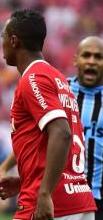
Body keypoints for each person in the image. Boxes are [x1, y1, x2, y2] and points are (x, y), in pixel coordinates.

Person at [0, 9, 96, 220]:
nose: (2, 43)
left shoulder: (34, 79)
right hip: (77, 199)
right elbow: (45, 141)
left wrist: (44, 192)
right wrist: (24, 180)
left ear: (14, 40)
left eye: (3, 37)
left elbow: (62, 133)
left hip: (51, 203)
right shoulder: (57, 78)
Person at [68, 36, 103, 219]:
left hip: (99, 199)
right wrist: (5, 167)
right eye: (86, 55)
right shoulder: (60, 91)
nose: (91, 61)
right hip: (63, 196)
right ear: (76, 59)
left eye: (98, 57)